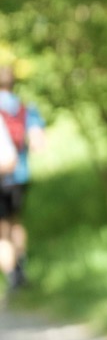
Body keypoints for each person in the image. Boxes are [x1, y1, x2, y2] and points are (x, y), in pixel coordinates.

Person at [0, 65, 45, 292]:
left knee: (2, 230)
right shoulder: (25, 108)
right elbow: (38, 142)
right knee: (16, 222)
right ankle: (21, 269)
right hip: (19, 175)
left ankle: (12, 279)